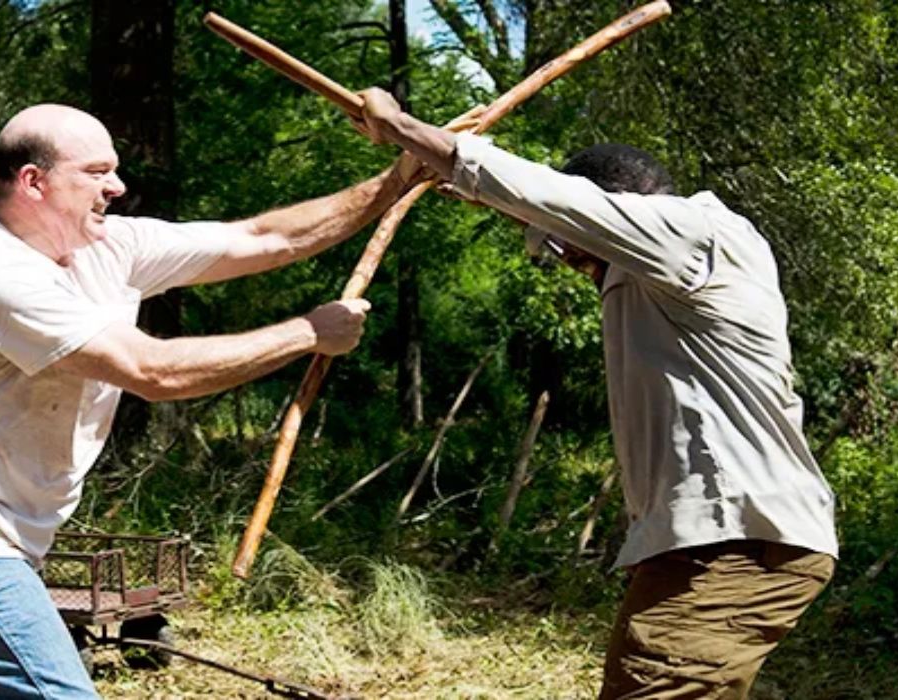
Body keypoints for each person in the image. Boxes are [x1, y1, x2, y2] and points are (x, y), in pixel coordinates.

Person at [0, 103, 418, 699]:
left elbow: (264, 237)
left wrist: (398, 177)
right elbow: (151, 370)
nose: (117, 186)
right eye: (97, 171)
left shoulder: (108, 247)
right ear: (34, 182)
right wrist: (309, 333)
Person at [355, 88, 838, 699]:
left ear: (617, 208)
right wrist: (458, 172)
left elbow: (563, 206)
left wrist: (403, 127)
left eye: (568, 245)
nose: (568, 260)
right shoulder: (660, 271)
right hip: (720, 545)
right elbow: (561, 215)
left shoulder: (695, 232)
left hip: (737, 542)